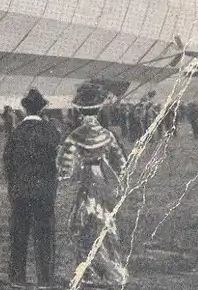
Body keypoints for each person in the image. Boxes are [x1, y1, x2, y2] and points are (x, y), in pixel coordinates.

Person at [57, 83, 129, 288]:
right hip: (102, 181)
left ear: (80, 112)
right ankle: (108, 266)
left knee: (80, 226)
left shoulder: (76, 136)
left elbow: (65, 167)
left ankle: (86, 269)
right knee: (104, 223)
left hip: (86, 181)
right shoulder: (107, 135)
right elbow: (121, 162)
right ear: (97, 111)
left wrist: (65, 174)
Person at [3, 89, 60, 290]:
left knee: (19, 234)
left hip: (20, 190)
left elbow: (8, 163)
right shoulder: (51, 131)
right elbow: (57, 161)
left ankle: (17, 278)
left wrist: (13, 187)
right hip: (44, 190)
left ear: (25, 108)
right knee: (45, 235)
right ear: (42, 108)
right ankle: (45, 280)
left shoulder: (16, 132)